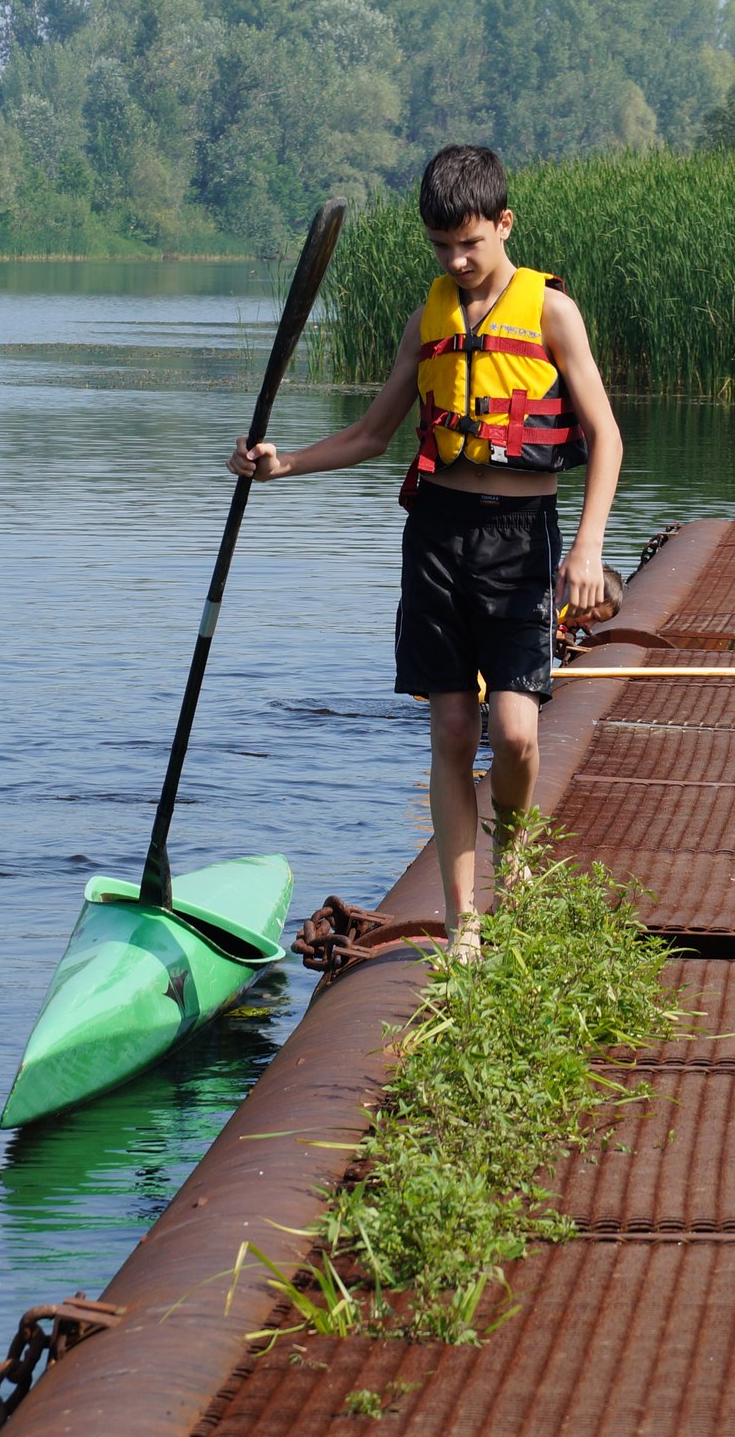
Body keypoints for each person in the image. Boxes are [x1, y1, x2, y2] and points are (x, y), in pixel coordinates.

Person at [234, 145, 622, 961]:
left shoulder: (551, 311)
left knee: (513, 733)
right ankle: (464, 923)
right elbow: (373, 434)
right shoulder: (429, 314)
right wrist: (283, 464)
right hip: (438, 536)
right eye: (441, 245)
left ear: (504, 224)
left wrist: (587, 550)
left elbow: (607, 436)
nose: (456, 260)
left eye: (470, 244)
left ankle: (514, 857)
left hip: (522, 542)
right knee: (451, 730)